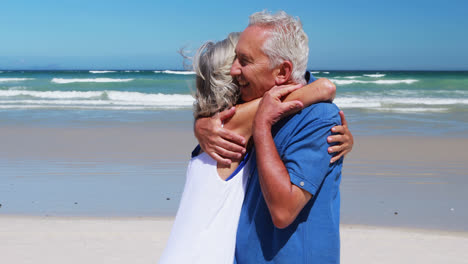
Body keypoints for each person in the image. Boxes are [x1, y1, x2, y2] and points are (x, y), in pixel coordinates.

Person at [159, 30, 351, 263]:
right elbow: (280, 104)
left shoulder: (219, 128)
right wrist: (319, 88)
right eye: (237, 60)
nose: (237, 70)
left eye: (245, 61)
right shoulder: (228, 127)